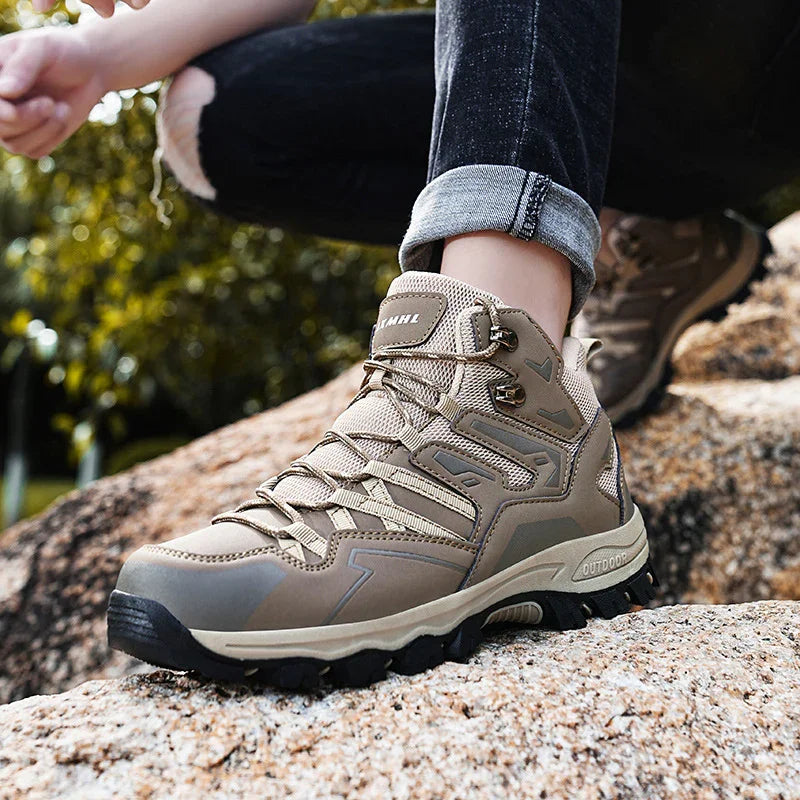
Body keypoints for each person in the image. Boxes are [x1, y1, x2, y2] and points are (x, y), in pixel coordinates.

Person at [1, 0, 795, 687]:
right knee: (216, 113)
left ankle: (497, 397)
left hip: (756, 66)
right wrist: (94, 55)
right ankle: (638, 242)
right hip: (599, 66)